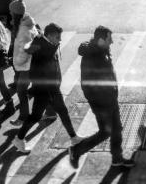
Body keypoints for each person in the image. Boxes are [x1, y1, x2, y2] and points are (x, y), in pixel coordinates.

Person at [68, 26, 134, 168]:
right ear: (101, 40)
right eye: (109, 39)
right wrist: (100, 101)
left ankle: (117, 159)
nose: (112, 41)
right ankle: (77, 150)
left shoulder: (102, 50)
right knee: (105, 132)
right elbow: (88, 84)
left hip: (110, 98)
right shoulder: (91, 56)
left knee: (116, 129)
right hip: (101, 102)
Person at [12, 23, 83, 153]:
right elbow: (36, 67)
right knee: (36, 116)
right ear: (49, 36)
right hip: (44, 89)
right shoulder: (41, 46)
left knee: (62, 111)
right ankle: (19, 138)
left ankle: (73, 137)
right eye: (57, 37)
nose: (60, 40)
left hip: (51, 87)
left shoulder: (48, 44)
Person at [8, 0, 36, 126]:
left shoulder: (23, 29)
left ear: (15, 13)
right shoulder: (25, 22)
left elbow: (25, 50)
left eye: (11, 11)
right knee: (36, 91)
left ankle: (24, 117)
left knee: (21, 91)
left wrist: (16, 62)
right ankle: (50, 112)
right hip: (26, 65)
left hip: (26, 66)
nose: (9, 13)